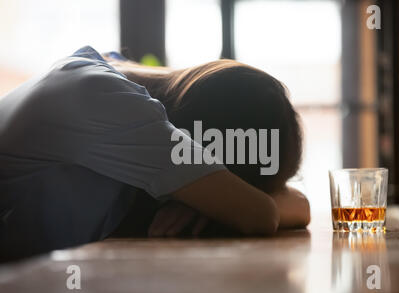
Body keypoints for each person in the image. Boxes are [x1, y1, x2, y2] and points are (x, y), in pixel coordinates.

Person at [0, 46, 309, 261]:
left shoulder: (104, 81)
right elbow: (260, 215)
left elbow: (300, 205)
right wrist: (223, 201)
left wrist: (214, 197)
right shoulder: (109, 102)